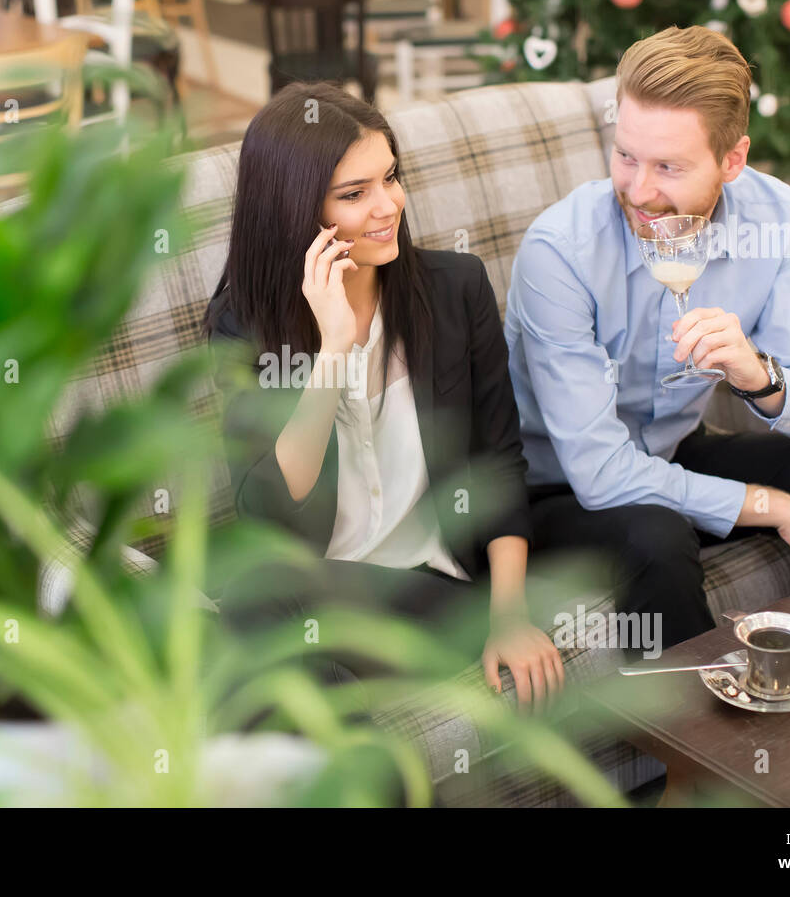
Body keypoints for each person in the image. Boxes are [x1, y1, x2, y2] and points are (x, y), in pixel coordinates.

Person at [503, 26, 790, 652]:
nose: (639, 191)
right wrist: (779, 507)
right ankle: (702, 750)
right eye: (626, 155)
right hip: (558, 488)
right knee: (656, 537)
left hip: (673, 449)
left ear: (732, 161)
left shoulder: (772, 215)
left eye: (669, 167)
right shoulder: (561, 251)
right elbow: (601, 475)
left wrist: (759, 375)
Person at [203, 82, 564, 708]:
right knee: (263, 602)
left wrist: (508, 617)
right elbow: (269, 510)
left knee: (253, 615)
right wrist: (334, 346)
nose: (387, 205)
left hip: (435, 595)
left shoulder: (457, 290)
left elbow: (500, 463)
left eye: (390, 178)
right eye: (354, 193)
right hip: (321, 594)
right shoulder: (242, 324)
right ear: (296, 212)